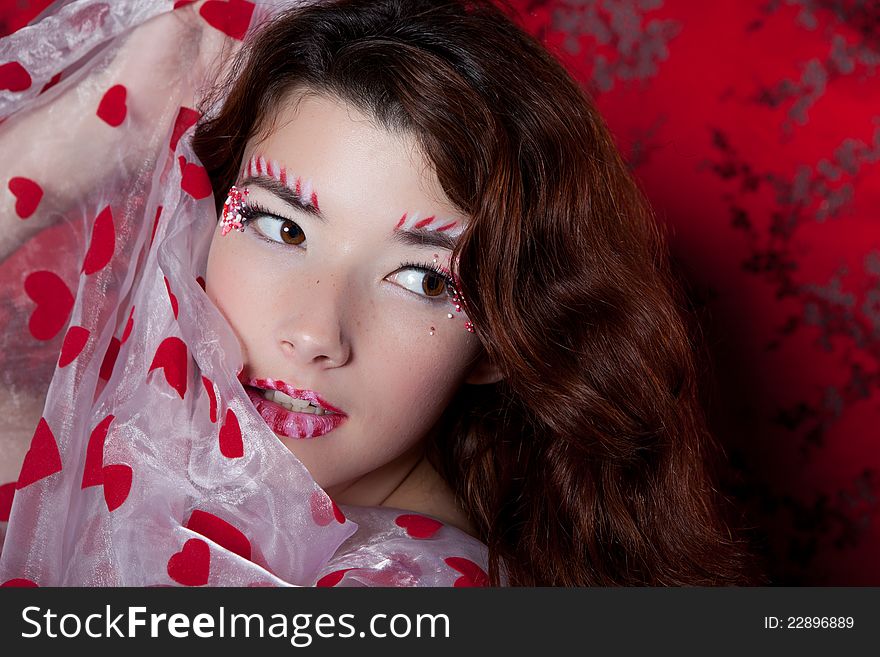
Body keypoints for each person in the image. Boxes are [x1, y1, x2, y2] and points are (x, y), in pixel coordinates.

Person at [0, 0, 756, 586]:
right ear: (198, 222)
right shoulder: (147, 451)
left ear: (504, 334)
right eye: (281, 229)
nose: (315, 331)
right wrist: (96, 129)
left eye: (424, 279)